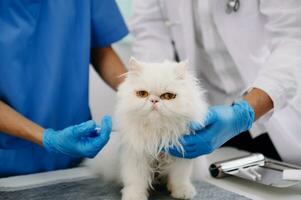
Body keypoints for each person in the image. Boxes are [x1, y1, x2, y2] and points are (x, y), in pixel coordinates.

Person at [130, 0, 301, 164]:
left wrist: (244, 113)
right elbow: (150, 34)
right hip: (207, 119)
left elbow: (294, 40)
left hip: (273, 107)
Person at [0, 0, 128, 177]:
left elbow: (101, 50)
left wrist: (138, 90)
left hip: (74, 158)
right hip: (7, 163)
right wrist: (49, 138)